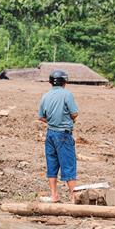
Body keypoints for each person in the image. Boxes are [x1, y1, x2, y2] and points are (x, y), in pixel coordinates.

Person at [38, 69, 79, 203]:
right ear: (64, 82)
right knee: (68, 165)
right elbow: (74, 114)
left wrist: (52, 121)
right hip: (64, 134)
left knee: (52, 165)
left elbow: (41, 117)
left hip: (50, 134)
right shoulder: (67, 95)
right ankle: (73, 196)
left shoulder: (45, 96)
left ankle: (54, 195)